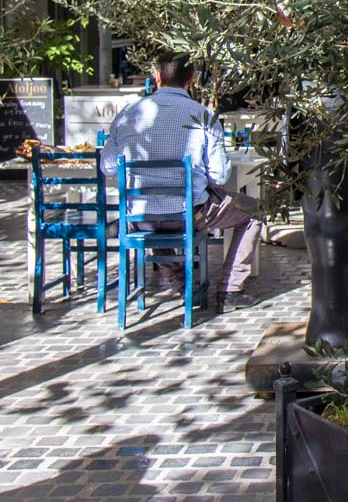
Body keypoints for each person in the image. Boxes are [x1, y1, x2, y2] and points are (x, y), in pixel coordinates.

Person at [99, 52, 262, 311]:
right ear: (191, 79)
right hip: (188, 214)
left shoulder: (128, 114)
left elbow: (107, 166)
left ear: (157, 76)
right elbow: (219, 176)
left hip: (140, 216)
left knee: (153, 219)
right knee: (255, 212)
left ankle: (184, 287)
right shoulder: (203, 115)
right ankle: (230, 289)